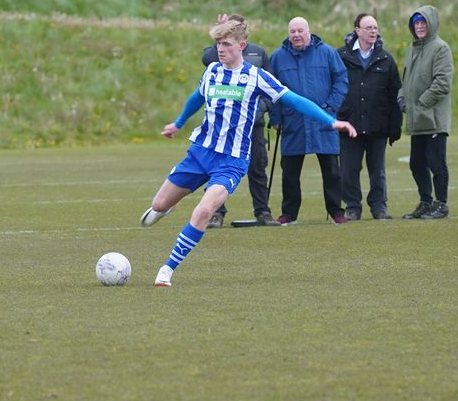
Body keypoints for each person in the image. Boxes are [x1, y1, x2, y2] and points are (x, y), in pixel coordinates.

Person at [140, 18, 357, 287]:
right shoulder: (211, 72)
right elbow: (197, 96)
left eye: (227, 44)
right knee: (158, 206)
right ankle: (171, 203)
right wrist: (179, 122)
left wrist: (330, 121)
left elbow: (295, 100)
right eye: (218, 43)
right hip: (199, 153)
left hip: (231, 161)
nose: (220, 49)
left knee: (204, 211)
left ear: (241, 46)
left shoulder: (256, 76)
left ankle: (167, 269)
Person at [268, 17, 348, 225]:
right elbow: (271, 91)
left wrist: (330, 107)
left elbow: (341, 80)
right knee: (290, 172)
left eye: (300, 31)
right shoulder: (278, 57)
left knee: (332, 170)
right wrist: (276, 117)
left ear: (309, 32)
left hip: (324, 119)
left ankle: (336, 211)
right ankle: (289, 214)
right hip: (293, 122)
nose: (296, 35)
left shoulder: (327, 53)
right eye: (292, 31)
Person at [200, 14, 279, 227]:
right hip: (223, 128)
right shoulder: (219, 52)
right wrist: (217, 35)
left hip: (254, 125)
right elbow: (207, 58)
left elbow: (270, 90)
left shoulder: (258, 52)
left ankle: (263, 211)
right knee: (216, 169)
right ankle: (216, 213)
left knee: (257, 167)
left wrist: (256, 110)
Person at [337, 14, 402, 220]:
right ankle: (353, 207)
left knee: (378, 171)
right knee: (349, 170)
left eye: (375, 27)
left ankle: (379, 207)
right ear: (357, 30)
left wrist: (394, 126)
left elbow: (395, 94)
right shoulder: (341, 56)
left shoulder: (386, 59)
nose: (373, 31)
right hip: (350, 123)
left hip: (377, 124)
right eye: (368, 28)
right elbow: (334, 88)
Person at [400, 6, 453, 220]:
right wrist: (402, 98)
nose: (420, 26)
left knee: (436, 163)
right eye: (416, 23)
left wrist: (421, 103)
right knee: (416, 163)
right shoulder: (412, 49)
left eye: (423, 23)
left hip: (433, 119)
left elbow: (442, 83)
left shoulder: (441, 48)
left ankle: (441, 204)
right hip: (416, 119)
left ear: (431, 24)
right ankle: (425, 202)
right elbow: (406, 80)